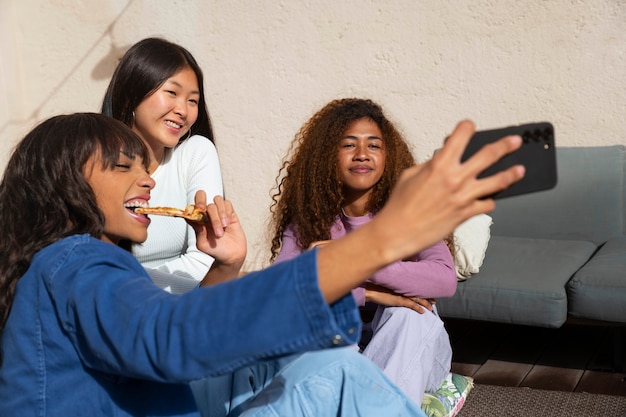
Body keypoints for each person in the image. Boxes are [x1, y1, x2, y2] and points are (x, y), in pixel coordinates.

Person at [0, 112, 524, 416]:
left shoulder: (75, 264)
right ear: (63, 182)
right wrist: (380, 242)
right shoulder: (73, 263)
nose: (150, 180)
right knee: (332, 374)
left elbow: (150, 349)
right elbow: (170, 340)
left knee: (316, 361)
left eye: (147, 166)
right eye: (124, 166)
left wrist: (223, 268)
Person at [269, 98, 457, 405]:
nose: (362, 155)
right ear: (327, 155)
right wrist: (368, 294)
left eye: (374, 146)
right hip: (346, 352)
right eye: (348, 145)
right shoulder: (308, 218)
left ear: (388, 155)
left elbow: (444, 278)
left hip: (415, 352)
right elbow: (283, 290)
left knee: (411, 315)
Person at [102, 37, 225, 288]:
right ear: (133, 93)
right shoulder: (96, 162)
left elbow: (204, 261)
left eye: (193, 100)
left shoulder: (195, 152)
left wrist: (124, 283)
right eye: (172, 92)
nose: (183, 110)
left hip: (176, 309)